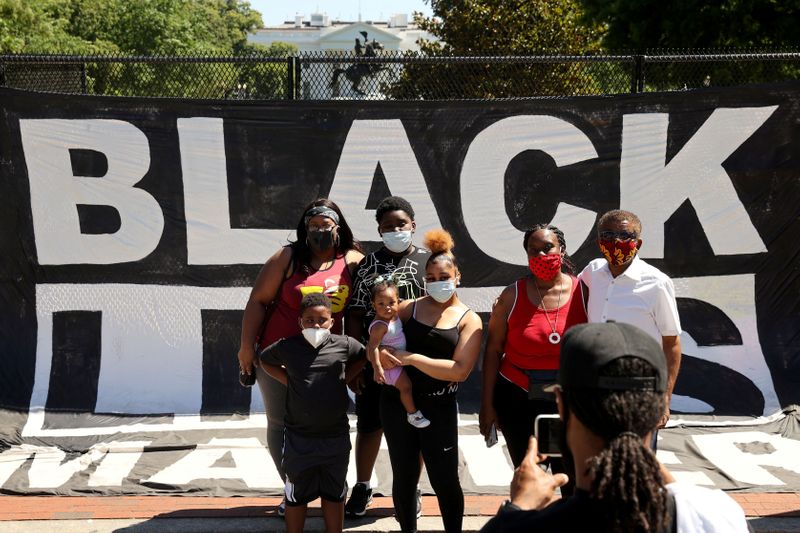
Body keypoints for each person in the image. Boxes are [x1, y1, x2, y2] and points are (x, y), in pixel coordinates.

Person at [480, 322, 750, 533]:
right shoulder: (715, 515)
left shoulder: (519, 529)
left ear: (561, 404)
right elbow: (693, 507)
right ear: (657, 411)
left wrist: (518, 508)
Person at [238, 198, 363, 515]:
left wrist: (356, 356)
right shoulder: (287, 258)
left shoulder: (352, 260)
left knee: (330, 421)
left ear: (338, 228)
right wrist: (245, 346)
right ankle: (293, 489)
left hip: (328, 361)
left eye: (326, 225)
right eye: (313, 225)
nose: (320, 231)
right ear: (304, 228)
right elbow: (258, 301)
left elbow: (359, 313)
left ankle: (333, 488)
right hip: (280, 356)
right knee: (281, 422)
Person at [380, 229, 483, 533]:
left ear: (457, 276)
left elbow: (459, 371)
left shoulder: (468, 319)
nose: (439, 282)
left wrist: (410, 358)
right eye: (432, 276)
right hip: (397, 404)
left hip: (439, 407)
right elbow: (377, 331)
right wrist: (378, 352)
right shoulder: (407, 308)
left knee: (444, 479)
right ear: (424, 279)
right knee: (404, 476)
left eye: (444, 275)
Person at [479, 224, 587, 493]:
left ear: (561, 249)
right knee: (529, 479)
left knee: (569, 478)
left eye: (548, 247)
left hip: (566, 402)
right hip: (518, 399)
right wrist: (487, 405)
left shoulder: (584, 293)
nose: (541, 255)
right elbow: (493, 351)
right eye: (533, 250)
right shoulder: (511, 295)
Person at [344, 196, 431, 517]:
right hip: (375, 361)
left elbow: (446, 307)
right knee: (369, 426)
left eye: (401, 224)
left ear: (413, 225)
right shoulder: (368, 265)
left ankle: (412, 487)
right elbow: (353, 315)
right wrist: (354, 364)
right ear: (379, 231)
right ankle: (363, 486)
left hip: (416, 361)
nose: (396, 230)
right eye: (387, 226)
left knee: (415, 423)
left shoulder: (430, 261)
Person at [259, 293, 366, 533]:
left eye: (321, 320)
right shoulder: (288, 346)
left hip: (335, 438)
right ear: (300, 322)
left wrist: (346, 379)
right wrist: (289, 380)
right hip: (300, 439)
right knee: (296, 497)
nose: (315, 325)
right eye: (309, 320)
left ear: (331, 321)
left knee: (335, 494)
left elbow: (364, 356)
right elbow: (265, 360)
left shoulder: (345, 344)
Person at [579, 209, 682, 432]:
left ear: (638, 243)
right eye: (608, 236)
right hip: (595, 388)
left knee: (635, 463)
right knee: (596, 461)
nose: (616, 241)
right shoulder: (592, 271)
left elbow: (671, 343)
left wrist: (664, 399)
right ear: (598, 242)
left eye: (625, 236)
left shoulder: (657, 283)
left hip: (639, 390)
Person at [368, 278, 430, 429]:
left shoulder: (394, 316)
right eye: (381, 304)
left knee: (408, 387)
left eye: (391, 303)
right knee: (406, 387)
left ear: (398, 301)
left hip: (397, 363)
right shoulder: (380, 325)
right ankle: (413, 414)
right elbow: (372, 348)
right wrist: (377, 368)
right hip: (389, 366)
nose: (387, 307)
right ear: (373, 305)